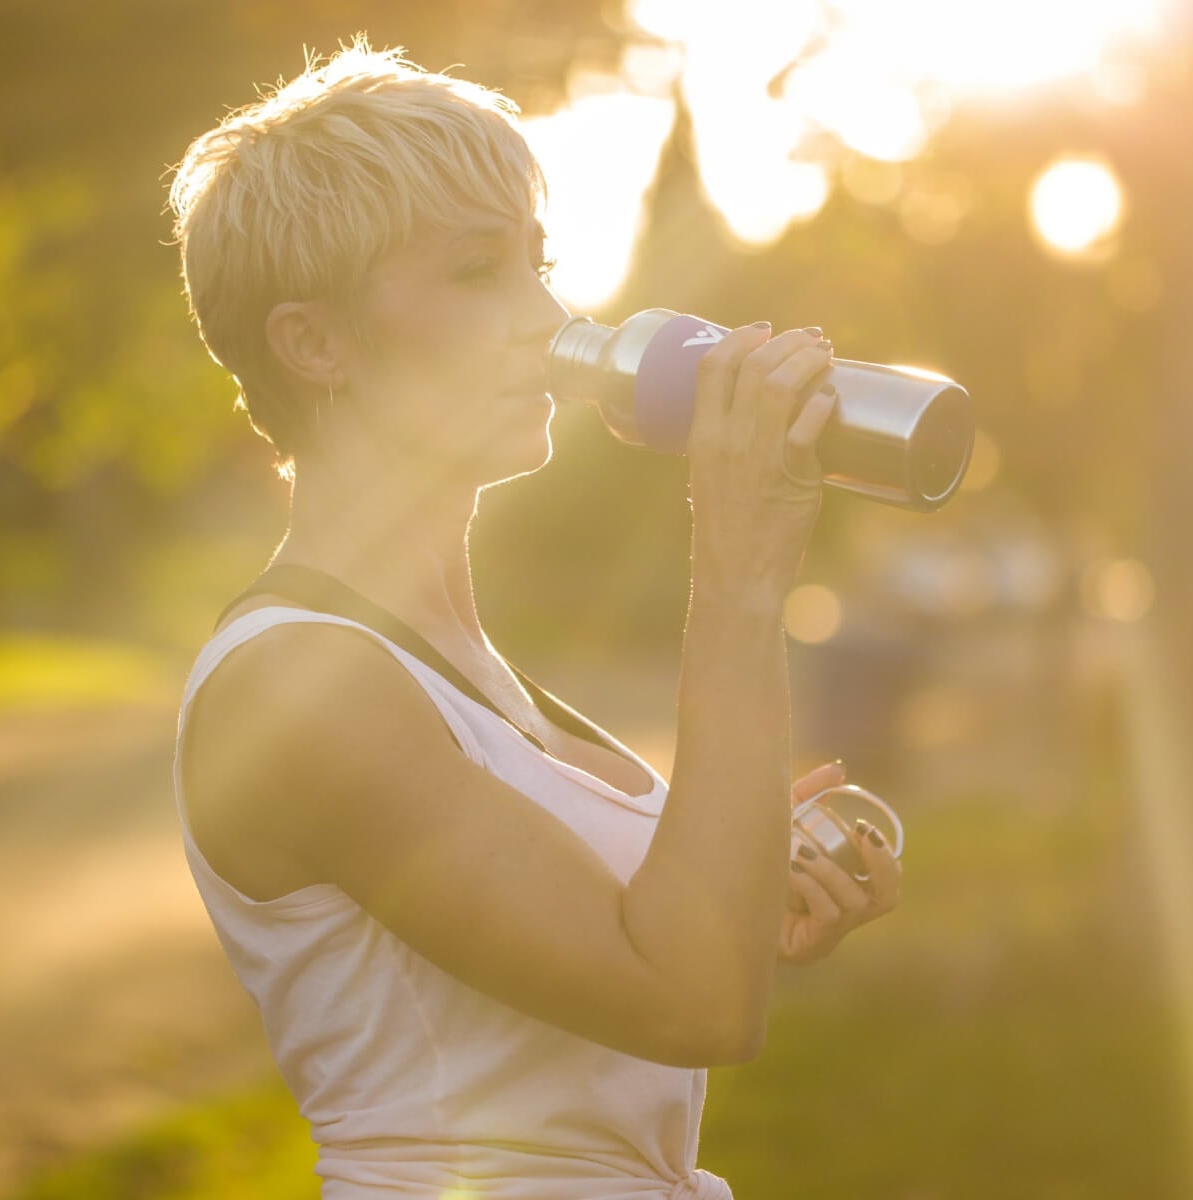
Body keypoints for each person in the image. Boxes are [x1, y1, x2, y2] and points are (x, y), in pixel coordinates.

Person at [163, 36, 902, 1199]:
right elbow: (690, 1000)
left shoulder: (470, 675)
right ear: (317, 343)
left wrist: (747, 890)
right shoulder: (298, 682)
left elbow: (658, 963)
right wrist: (741, 566)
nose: (543, 315)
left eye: (536, 264)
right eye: (475, 274)